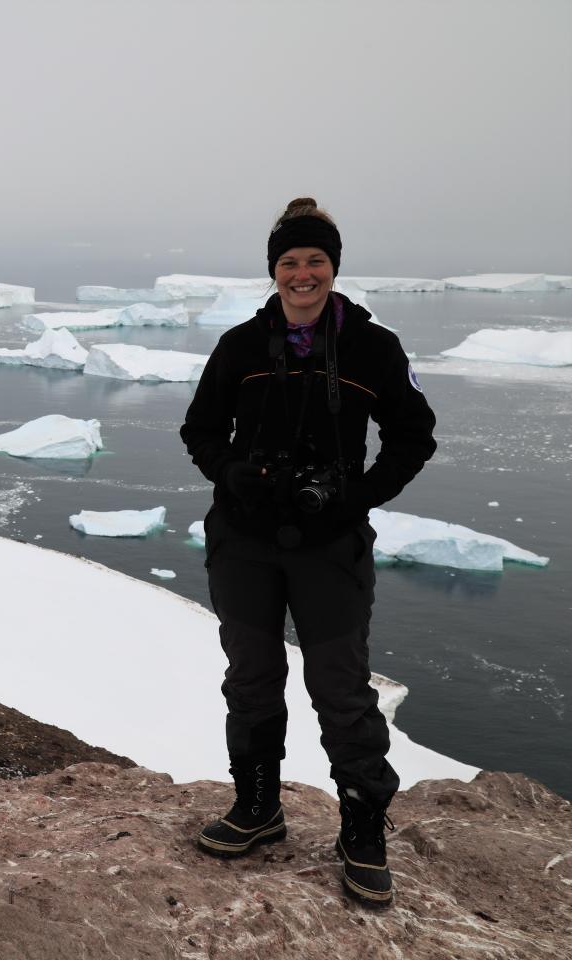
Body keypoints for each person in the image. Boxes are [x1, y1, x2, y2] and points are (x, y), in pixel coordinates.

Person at [179, 197, 436, 906]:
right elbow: (199, 428)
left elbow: (414, 435)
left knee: (341, 690)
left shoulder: (371, 349)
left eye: (314, 260)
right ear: (274, 271)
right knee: (253, 678)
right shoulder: (239, 345)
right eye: (289, 262)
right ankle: (257, 809)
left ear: (333, 268)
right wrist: (232, 472)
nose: (302, 273)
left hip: (330, 546)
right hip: (244, 542)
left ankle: (361, 831)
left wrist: (354, 496)